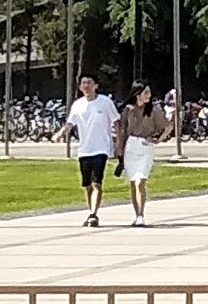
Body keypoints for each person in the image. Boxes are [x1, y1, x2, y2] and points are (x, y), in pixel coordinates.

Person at [66, 75, 119, 226]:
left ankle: (93, 213)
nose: (86, 86)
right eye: (83, 83)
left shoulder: (105, 102)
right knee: (87, 185)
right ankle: (91, 212)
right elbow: (70, 123)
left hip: (101, 148)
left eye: (89, 83)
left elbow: (116, 121)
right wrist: (61, 132)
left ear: (96, 85)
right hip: (84, 150)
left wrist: (118, 144)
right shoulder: (78, 105)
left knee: (97, 183)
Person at [119, 84, 165, 224]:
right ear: (137, 94)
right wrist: (119, 147)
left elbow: (167, 126)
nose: (148, 95)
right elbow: (123, 129)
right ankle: (137, 213)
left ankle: (141, 215)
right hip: (131, 146)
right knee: (133, 182)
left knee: (140, 181)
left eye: (149, 92)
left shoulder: (154, 110)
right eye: (145, 92)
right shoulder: (128, 109)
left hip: (145, 146)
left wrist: (158, 139)